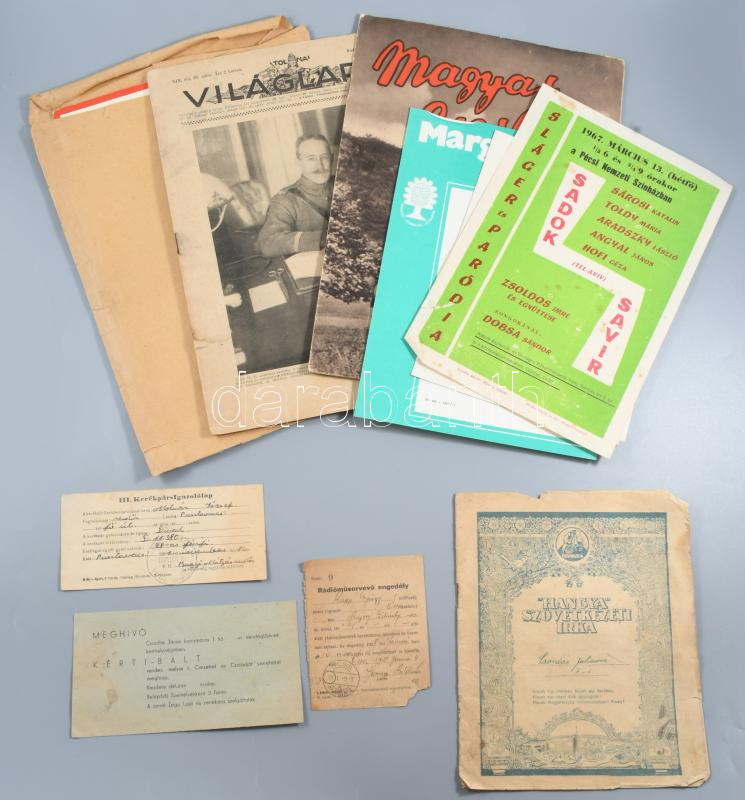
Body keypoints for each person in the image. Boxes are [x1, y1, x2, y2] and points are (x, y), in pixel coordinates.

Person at [257, 133, 333, 258]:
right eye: (311, 159)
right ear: (298, 162)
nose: (319, 166)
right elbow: (268, 242)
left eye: (324, 157)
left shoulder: (344, 186)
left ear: (332, 159)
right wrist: (324, 238)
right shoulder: (286, 199)